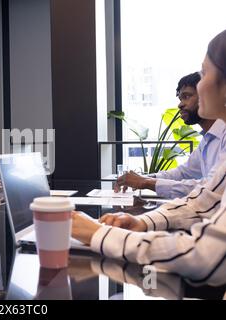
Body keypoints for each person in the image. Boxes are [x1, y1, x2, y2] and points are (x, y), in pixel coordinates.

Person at [71, 29, 226, 282]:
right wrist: (144, 223)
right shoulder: (209, 141)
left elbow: (205, 257)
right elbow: (204, 200)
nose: (200, 83)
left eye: (205, 73)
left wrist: (97, 235)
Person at [115, 72, 226, 199]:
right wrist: (145, 178)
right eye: (180, 98)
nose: (180, 104)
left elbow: (210, 187)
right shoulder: (208, 138)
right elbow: (184, 172)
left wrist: (145, 182)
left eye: (187, 96)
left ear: (207, 96)